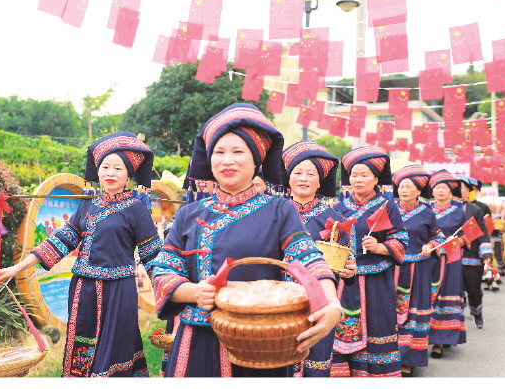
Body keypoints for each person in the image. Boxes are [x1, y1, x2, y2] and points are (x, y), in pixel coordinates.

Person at [149, 103, 342, 377]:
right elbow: (163, 271)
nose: (227, 160)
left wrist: (331, 302)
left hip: (262, 341)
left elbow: (307, 258)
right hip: (197, 344)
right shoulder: (188, 214)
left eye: (238, 152)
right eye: (219, 152)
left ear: (256, 161)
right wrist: (195, 292)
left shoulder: (279, 209)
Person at [0, 132, 162, 377]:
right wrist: (16, 269)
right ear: (97, 170)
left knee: (114, 352)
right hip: (84, 291)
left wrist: (173, 294)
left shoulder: (137, 210)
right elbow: (58, 242)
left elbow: (153, 258)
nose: (110, 173)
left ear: (129, 175)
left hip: (118, 293)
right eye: (105, 167)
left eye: (118, 168)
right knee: (82, 352)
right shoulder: (87, 206)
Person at [331, 146, 408, 378]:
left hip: (376, 282)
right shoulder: (339, 207)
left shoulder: (387, 206)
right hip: (344, 281)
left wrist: (380, 247)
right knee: (340, 329)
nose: (357, 179)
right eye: (354, 175)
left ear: (376, 179)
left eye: (364, 175)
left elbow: (402, 241)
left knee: (377, 327)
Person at [282, 140, 356, 377]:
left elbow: (347, 260)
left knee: (316, 358)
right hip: (278, 300)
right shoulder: (273, 212)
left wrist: (349, 270)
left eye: (310, 174)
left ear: (320, 180)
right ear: (288, 177)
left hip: (319, 301)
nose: (303, 178)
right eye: (297, 172)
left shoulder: (335, 219)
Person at [392, 165, 446, 377]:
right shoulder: (389, 210)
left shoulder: (426, 212)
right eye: (401, 187)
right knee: (389, 312)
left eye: (409, 187)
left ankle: (409, 359)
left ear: (418, 190)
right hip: (392, 269)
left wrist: (429, 245)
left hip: (418, 271)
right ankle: (389, 357)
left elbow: (438, 237)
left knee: (414, 313)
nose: (404, 190)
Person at [427, 170, 468, 359]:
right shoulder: (425, 211)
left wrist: (455, 241)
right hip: (429, 259)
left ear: (451, 191)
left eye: (444, 188)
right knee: (428, 297)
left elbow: (468, 236)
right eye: (437, 188)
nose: (440, 191)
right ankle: (423, 336)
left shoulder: (459, 212)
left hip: (451, 260)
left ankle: (440, 341)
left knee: (446, 296)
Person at [456, 176, 492, 329]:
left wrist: (486, 255)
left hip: (471, 256)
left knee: (474, 289)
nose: (457, 191)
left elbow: (483, 234)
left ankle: (477, 313)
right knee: (452, 289)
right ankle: (453, 319)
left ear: (467, 192)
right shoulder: (443, 210)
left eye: (461, 188)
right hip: (451, 257)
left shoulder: (475, 210)